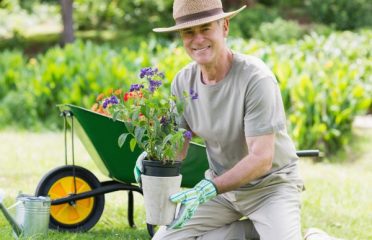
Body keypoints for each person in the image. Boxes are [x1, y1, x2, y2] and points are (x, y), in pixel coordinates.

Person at [135, 0, 340, 239]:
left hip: (270, 188)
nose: (197, 39)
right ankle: (256, 232)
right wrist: (151, 160)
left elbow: (261, 159)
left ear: (225, 27)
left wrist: (211, 187)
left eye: (205, 28)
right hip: (222, 193)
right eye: (188, 32)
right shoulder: (183, 82)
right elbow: (177, 148)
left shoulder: (255, 78)